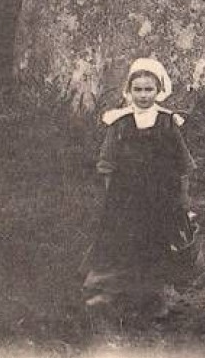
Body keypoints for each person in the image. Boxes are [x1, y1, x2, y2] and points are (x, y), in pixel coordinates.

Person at [83, 57, 196, 323]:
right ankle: (115, 292)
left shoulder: (168, 122)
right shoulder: (120, 123)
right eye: (138, 90)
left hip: (160, 196)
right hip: (126, 196)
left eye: (149, 90)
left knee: (157, 240)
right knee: (122, 239)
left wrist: (182, 195)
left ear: (158, 91)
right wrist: (114, 194)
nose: (143, 96)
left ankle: (153, 295)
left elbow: (182, 162)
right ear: (129, 91)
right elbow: (107, 160)